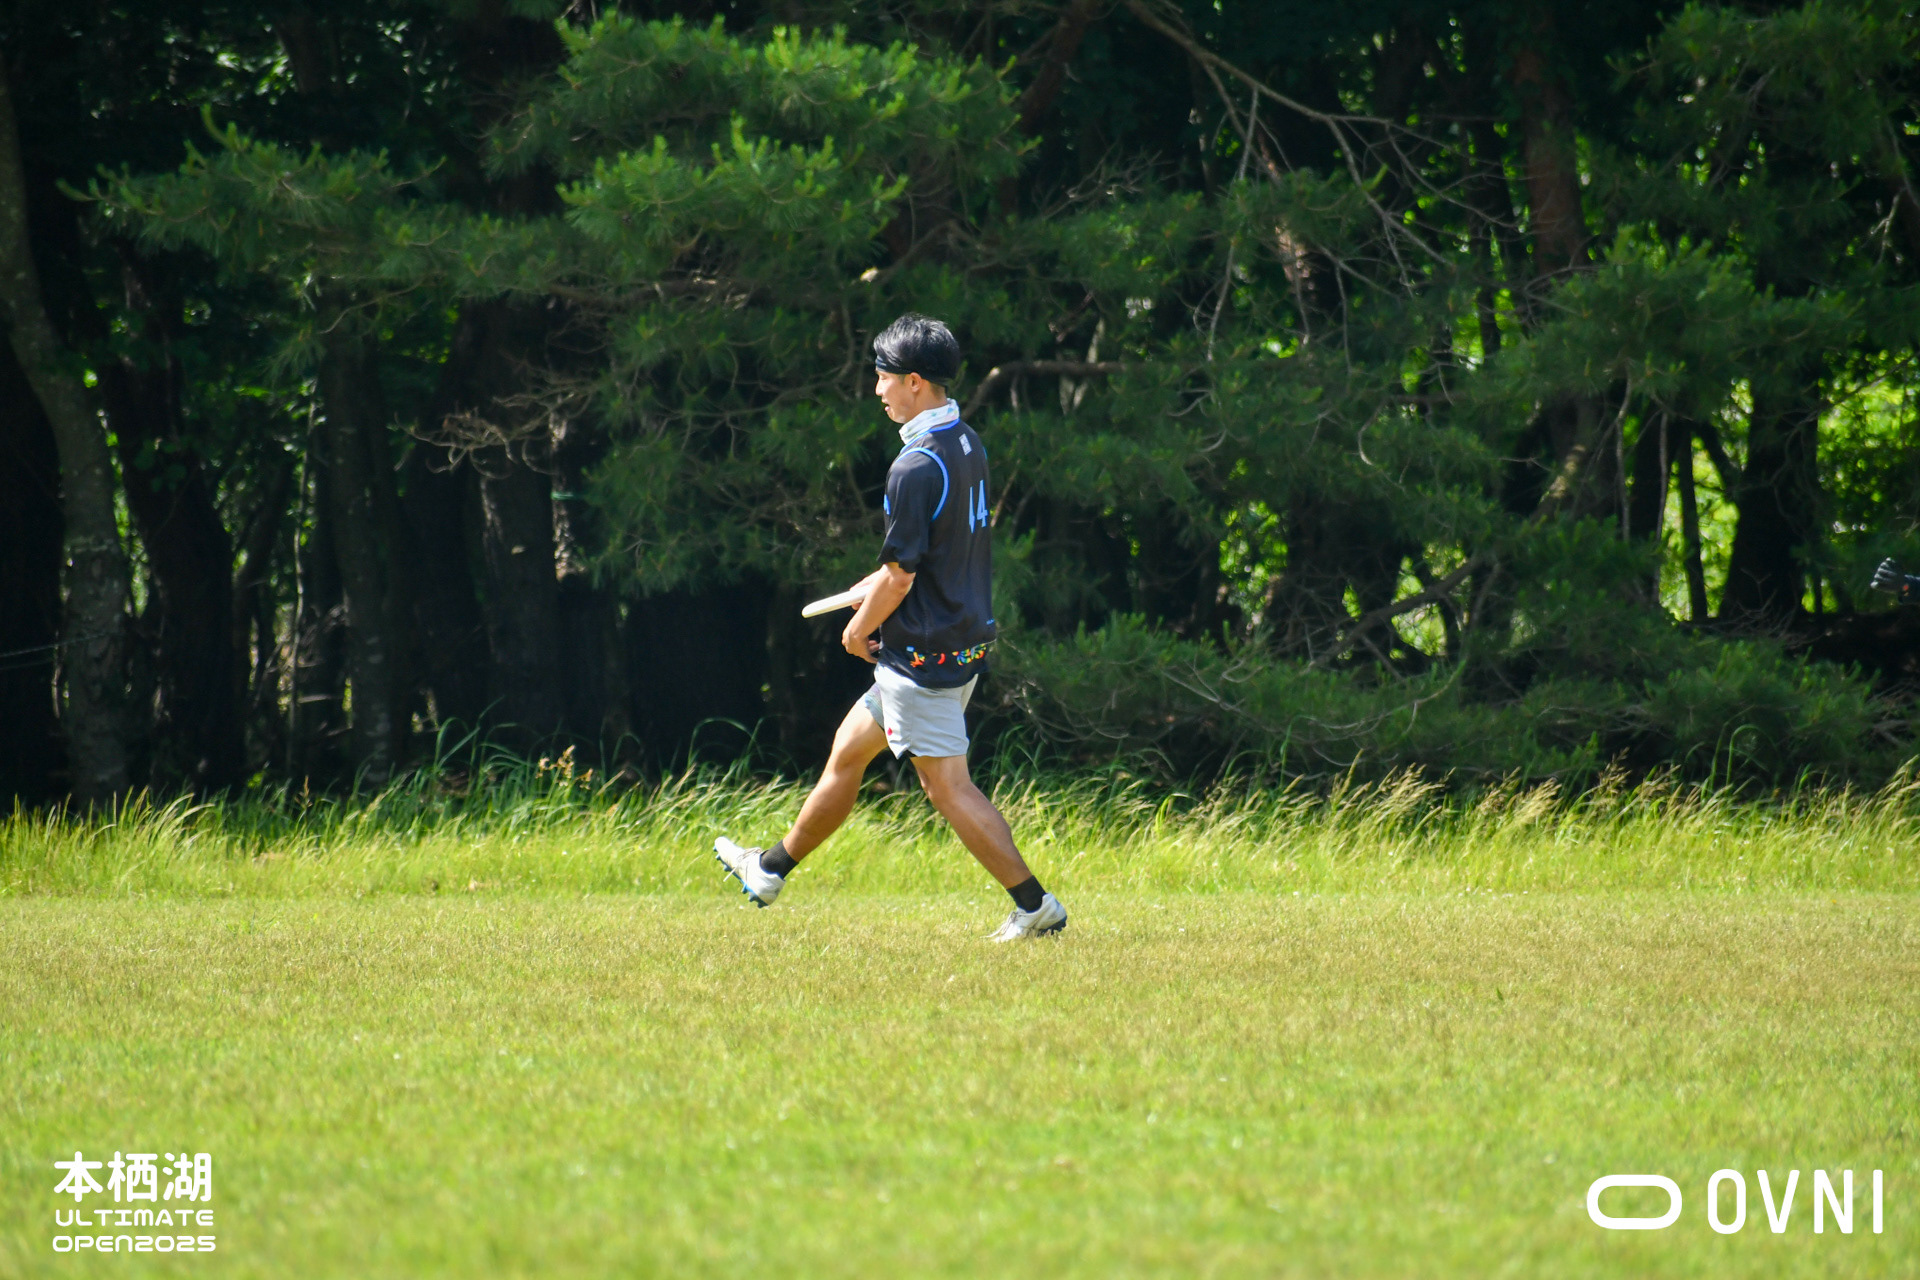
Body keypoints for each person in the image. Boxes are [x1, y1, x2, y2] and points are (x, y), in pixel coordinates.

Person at [712, 314, 1067, 941]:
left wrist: (859, 628)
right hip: (960, 639)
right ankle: (768, 870)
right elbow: (926, 555)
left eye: (882, 377)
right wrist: (873, 586)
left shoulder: (914, 466)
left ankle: (1035, 906)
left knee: (947, 788)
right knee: (848, 753)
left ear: (914, 381)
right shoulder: (964, 440)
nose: (877, 390)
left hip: (922, 656)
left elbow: (902, 578)